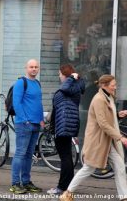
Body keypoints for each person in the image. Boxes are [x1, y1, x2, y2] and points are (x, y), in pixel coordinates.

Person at [60, 75, 127, 201]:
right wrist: (120, 137)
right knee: (89, 168)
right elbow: (103, 123)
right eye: (113, 85)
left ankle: (124, 196)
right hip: (98, 141)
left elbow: (107, 119)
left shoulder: (108, 97)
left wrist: (118, 115)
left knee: (120, 166)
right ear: (104, 85)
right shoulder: (99, 100)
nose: (115, 87)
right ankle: (67, 193)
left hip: (107, 140)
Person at [46, 64, 85, 195]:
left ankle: (61, 187)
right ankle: (68, 186)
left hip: (63, 125)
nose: (59, 76)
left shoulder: (68, 86)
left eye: (60, 74)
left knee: (65, 157)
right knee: (67, 156)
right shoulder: (74, 88)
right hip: (67, 124)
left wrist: (71, 78)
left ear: (65, 75)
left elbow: (64, 88)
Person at [9, 59, 44, 194]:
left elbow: (38, 103)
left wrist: (41, 119)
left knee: (29, 155)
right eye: (31, 67)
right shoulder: (20, 83)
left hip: (35, 124)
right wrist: (25, 120)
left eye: (36, 67)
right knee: (20, 154)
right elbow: (16, 103)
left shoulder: (37, 83)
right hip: (24, 124)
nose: (34, 69)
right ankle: (15, 183)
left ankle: (26, 181)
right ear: (26, 68)